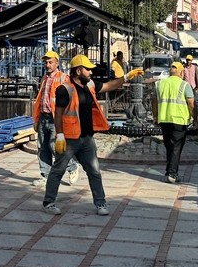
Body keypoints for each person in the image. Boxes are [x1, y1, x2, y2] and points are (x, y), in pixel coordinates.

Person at [42, 55, 142, 216]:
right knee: (58, 170)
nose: (91, 72)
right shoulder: (64, 89)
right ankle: (49, 202)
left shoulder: (90, 84)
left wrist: (125, 77)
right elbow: (58, 114)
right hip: (69, 139)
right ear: (78, 70)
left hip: (87, 139)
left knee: (94, 171)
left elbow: (109, 86)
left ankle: (101, 203)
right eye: (87, 69)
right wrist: (59, 135)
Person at [31, 50, 77, 186]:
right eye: (46, 62)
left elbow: (71, 99)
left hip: (56, 119)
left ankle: (72, 167)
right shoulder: (45, 78)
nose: (47, 65)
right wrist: (36, 119)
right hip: (43, 117)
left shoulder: (63, 78)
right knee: (42, 147)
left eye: (50, 62)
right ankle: (46, 175)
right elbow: (40, 100)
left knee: (55, 147)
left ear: (57, 63)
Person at [156, 62, 196, 183]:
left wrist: (154, 116)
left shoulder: (160, 84)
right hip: (179, 120)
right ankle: (172, 174)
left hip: (164, 119)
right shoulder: (184, 85)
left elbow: (154, 100)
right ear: (181, 72)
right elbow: (191, 104)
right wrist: (196, 120)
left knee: (169, 146)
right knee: (176, 147)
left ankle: (169, 170)